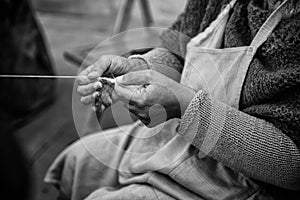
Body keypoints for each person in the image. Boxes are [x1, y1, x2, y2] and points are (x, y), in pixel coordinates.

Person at [45, 0, 300, 199]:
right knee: (77, 160)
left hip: (250, 183)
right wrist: (139, 67)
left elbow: (294, 168)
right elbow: (179, 54)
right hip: (179, 136)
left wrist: (185, 106)